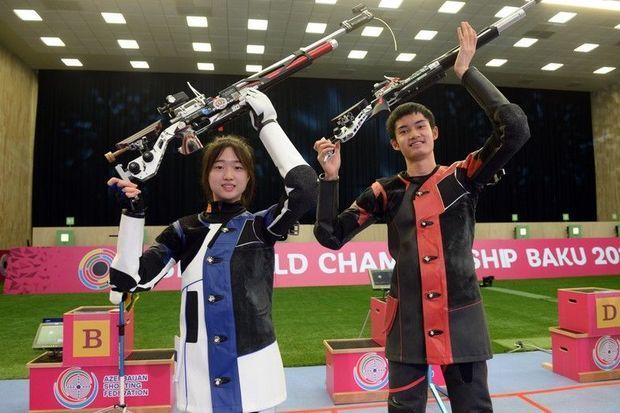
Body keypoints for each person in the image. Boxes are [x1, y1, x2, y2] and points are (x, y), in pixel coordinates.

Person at [313, 22, 530, 412]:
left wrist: (466, 72)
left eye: (420, 126)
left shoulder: (464, 177)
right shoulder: (384, 192)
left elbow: (514, 129)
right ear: (394, 143)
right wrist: (330, 179)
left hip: (462, 320)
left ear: (435, 132)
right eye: (403, 130)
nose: (413, 133)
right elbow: (329, 235)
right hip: (406, 325)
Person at [107, 89, 318, 413]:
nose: (228, 175)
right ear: (206, 175)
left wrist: (268, 124)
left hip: (253, 375)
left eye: (238, 167)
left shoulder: (262, 226)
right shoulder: (184, 230)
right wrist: (132, 214)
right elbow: (128, 281)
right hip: (199, 376)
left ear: (249, 177)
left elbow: (305, 189)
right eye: (219, 166)